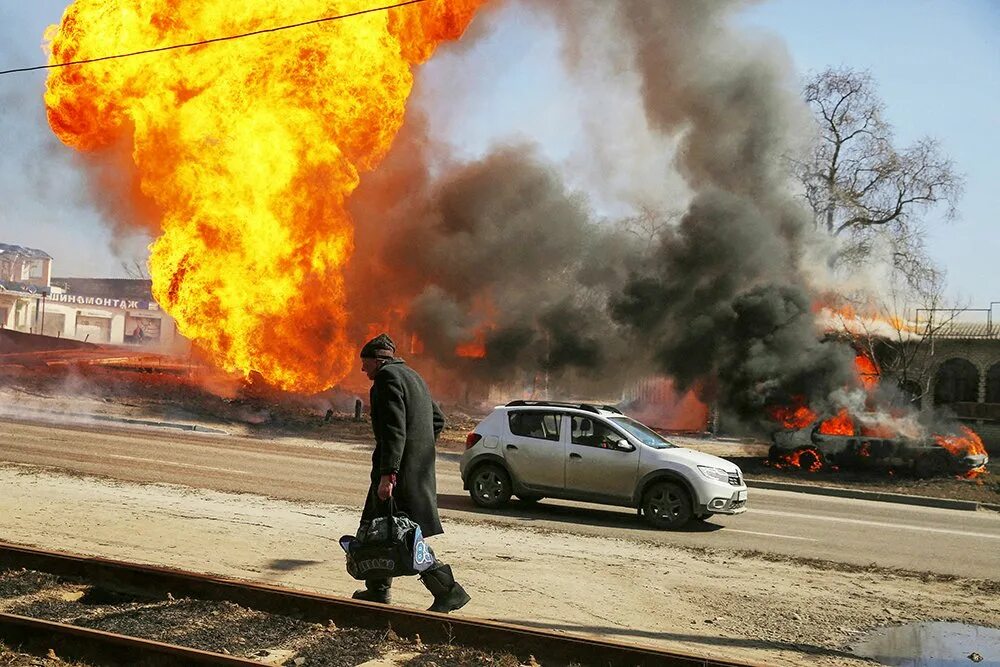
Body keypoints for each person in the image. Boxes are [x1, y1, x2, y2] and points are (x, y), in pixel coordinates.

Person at [353, 333, 471, 613]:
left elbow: (394, 431)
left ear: (378, 360)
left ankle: (449, 591)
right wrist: (420, 449)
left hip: (397, 475)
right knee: (380, 529)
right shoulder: (413, 376)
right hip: (415, 471)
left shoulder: (386, 379)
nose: (362, 369)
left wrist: (388, 475)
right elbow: (437, 419)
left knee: (402, 534)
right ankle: (377, 589)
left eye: (365, 362)